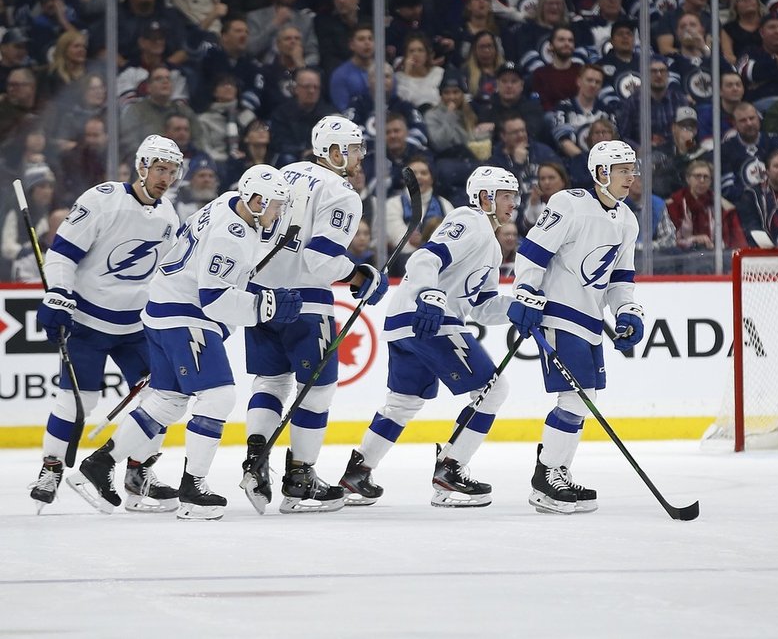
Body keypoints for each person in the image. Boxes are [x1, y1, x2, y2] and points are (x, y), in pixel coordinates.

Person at [66, 165, 302, 519]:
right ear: (256, 200)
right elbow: (214, 298)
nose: (279, 212)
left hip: (161, 308)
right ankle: (193, 488)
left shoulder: (227, 203)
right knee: (219, 395)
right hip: (185, 315)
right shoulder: (232, 234)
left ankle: (98, 466)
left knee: (169, 400)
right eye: (276, 204)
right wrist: (265, 306)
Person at [338, 166, 520, 507]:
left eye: (514, 196)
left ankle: (357, 473)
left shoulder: (493, 248)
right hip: (428, 318)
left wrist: (515, 309)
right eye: (506, 195)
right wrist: (429, 294)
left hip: (405, 321)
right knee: (494, 390)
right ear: (485, 197)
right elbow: (425, 256)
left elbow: (481, 307)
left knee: (403, 403)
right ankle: (451, 468)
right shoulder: (470, 219)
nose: (514, 203)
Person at [241, 115, 389, 515]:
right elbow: (321, 259)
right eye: (355, 149)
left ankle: (256, 460)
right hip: (305, 301)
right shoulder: (341, 192)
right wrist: (361, 274)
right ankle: (300, 479)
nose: (360, 156)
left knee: (270, 380)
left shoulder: (284, 173)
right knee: (317, 389)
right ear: (336, 152)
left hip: (258, 297)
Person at [28, 136, 184, 512]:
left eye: (172, 171)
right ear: (142, 166)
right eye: (160, 169)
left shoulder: (169, 218)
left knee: (162, 396)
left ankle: (138, 472)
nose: (166, 178)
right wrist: (58, 295)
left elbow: (166, 275)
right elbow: (62, 252)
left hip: (136, 328)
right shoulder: (103, 199)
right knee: (78, 400)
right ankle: (50, 468)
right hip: (87, 322)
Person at [509, 140, 644, 514]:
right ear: (601, 173)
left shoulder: (627, 219)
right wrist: (524, 293)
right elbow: (533, 252)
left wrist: (627, 309)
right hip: (557, 312)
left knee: (585, 398)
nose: (631, 177)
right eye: (623, 170)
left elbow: (620, 278)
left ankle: (557, 473)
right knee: (575, 397)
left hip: (589, 320)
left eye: (633, 169)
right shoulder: (569, 204)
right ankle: (547, 478)